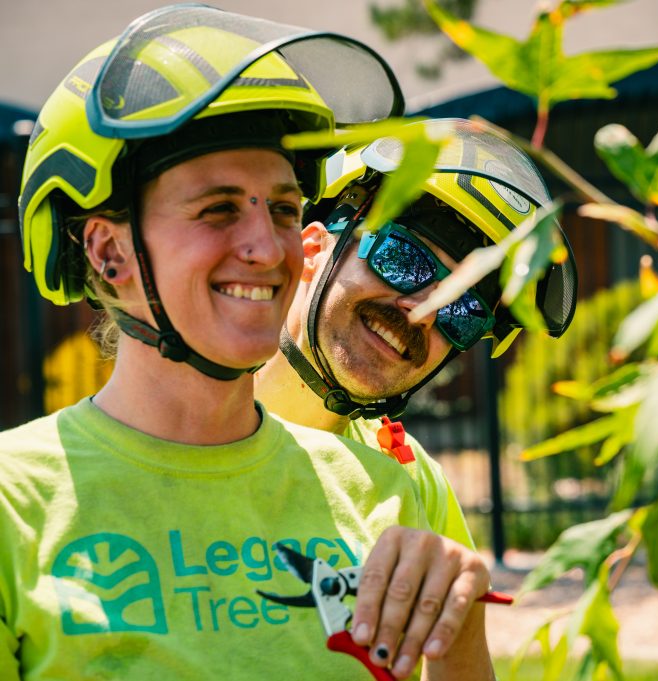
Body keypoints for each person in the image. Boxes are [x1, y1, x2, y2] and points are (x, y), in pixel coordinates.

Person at [0, 6, 494, 680]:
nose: (268, 249)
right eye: (218, 208)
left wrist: (458, 631)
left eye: (286, 209)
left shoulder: (379, 490)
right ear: (109, 251)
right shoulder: (14, 502)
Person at [254, 118, 579, 551]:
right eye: (403, 259)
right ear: (312, 250)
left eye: (462, 310)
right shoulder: (158, 426)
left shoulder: (413, 483)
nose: (423, 314)